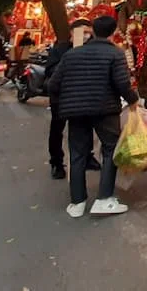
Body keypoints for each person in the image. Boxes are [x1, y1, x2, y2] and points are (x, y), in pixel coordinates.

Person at [48, 16, 139, 218]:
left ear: (92, 31)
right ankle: (104, 198)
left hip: (76, 112)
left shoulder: (72, 55)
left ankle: (77, 202)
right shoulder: (115, 53)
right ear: (114, 32)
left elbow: (53, 84)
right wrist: (133, 101)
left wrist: (67, 101)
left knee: (78, 153)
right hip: (105, 110)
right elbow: (122, 84)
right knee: (109, 150)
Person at [47, 19, 100, 180]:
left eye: (89, 33)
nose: (86, 36)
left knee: (86, 125)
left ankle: (87, 156)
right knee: (57, 129)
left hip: (83, 97)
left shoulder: (91, 49)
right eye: (83, 32)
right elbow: (51, 72)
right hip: (62, 98)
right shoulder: (61, 49)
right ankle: (56, 162)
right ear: (72, 32)